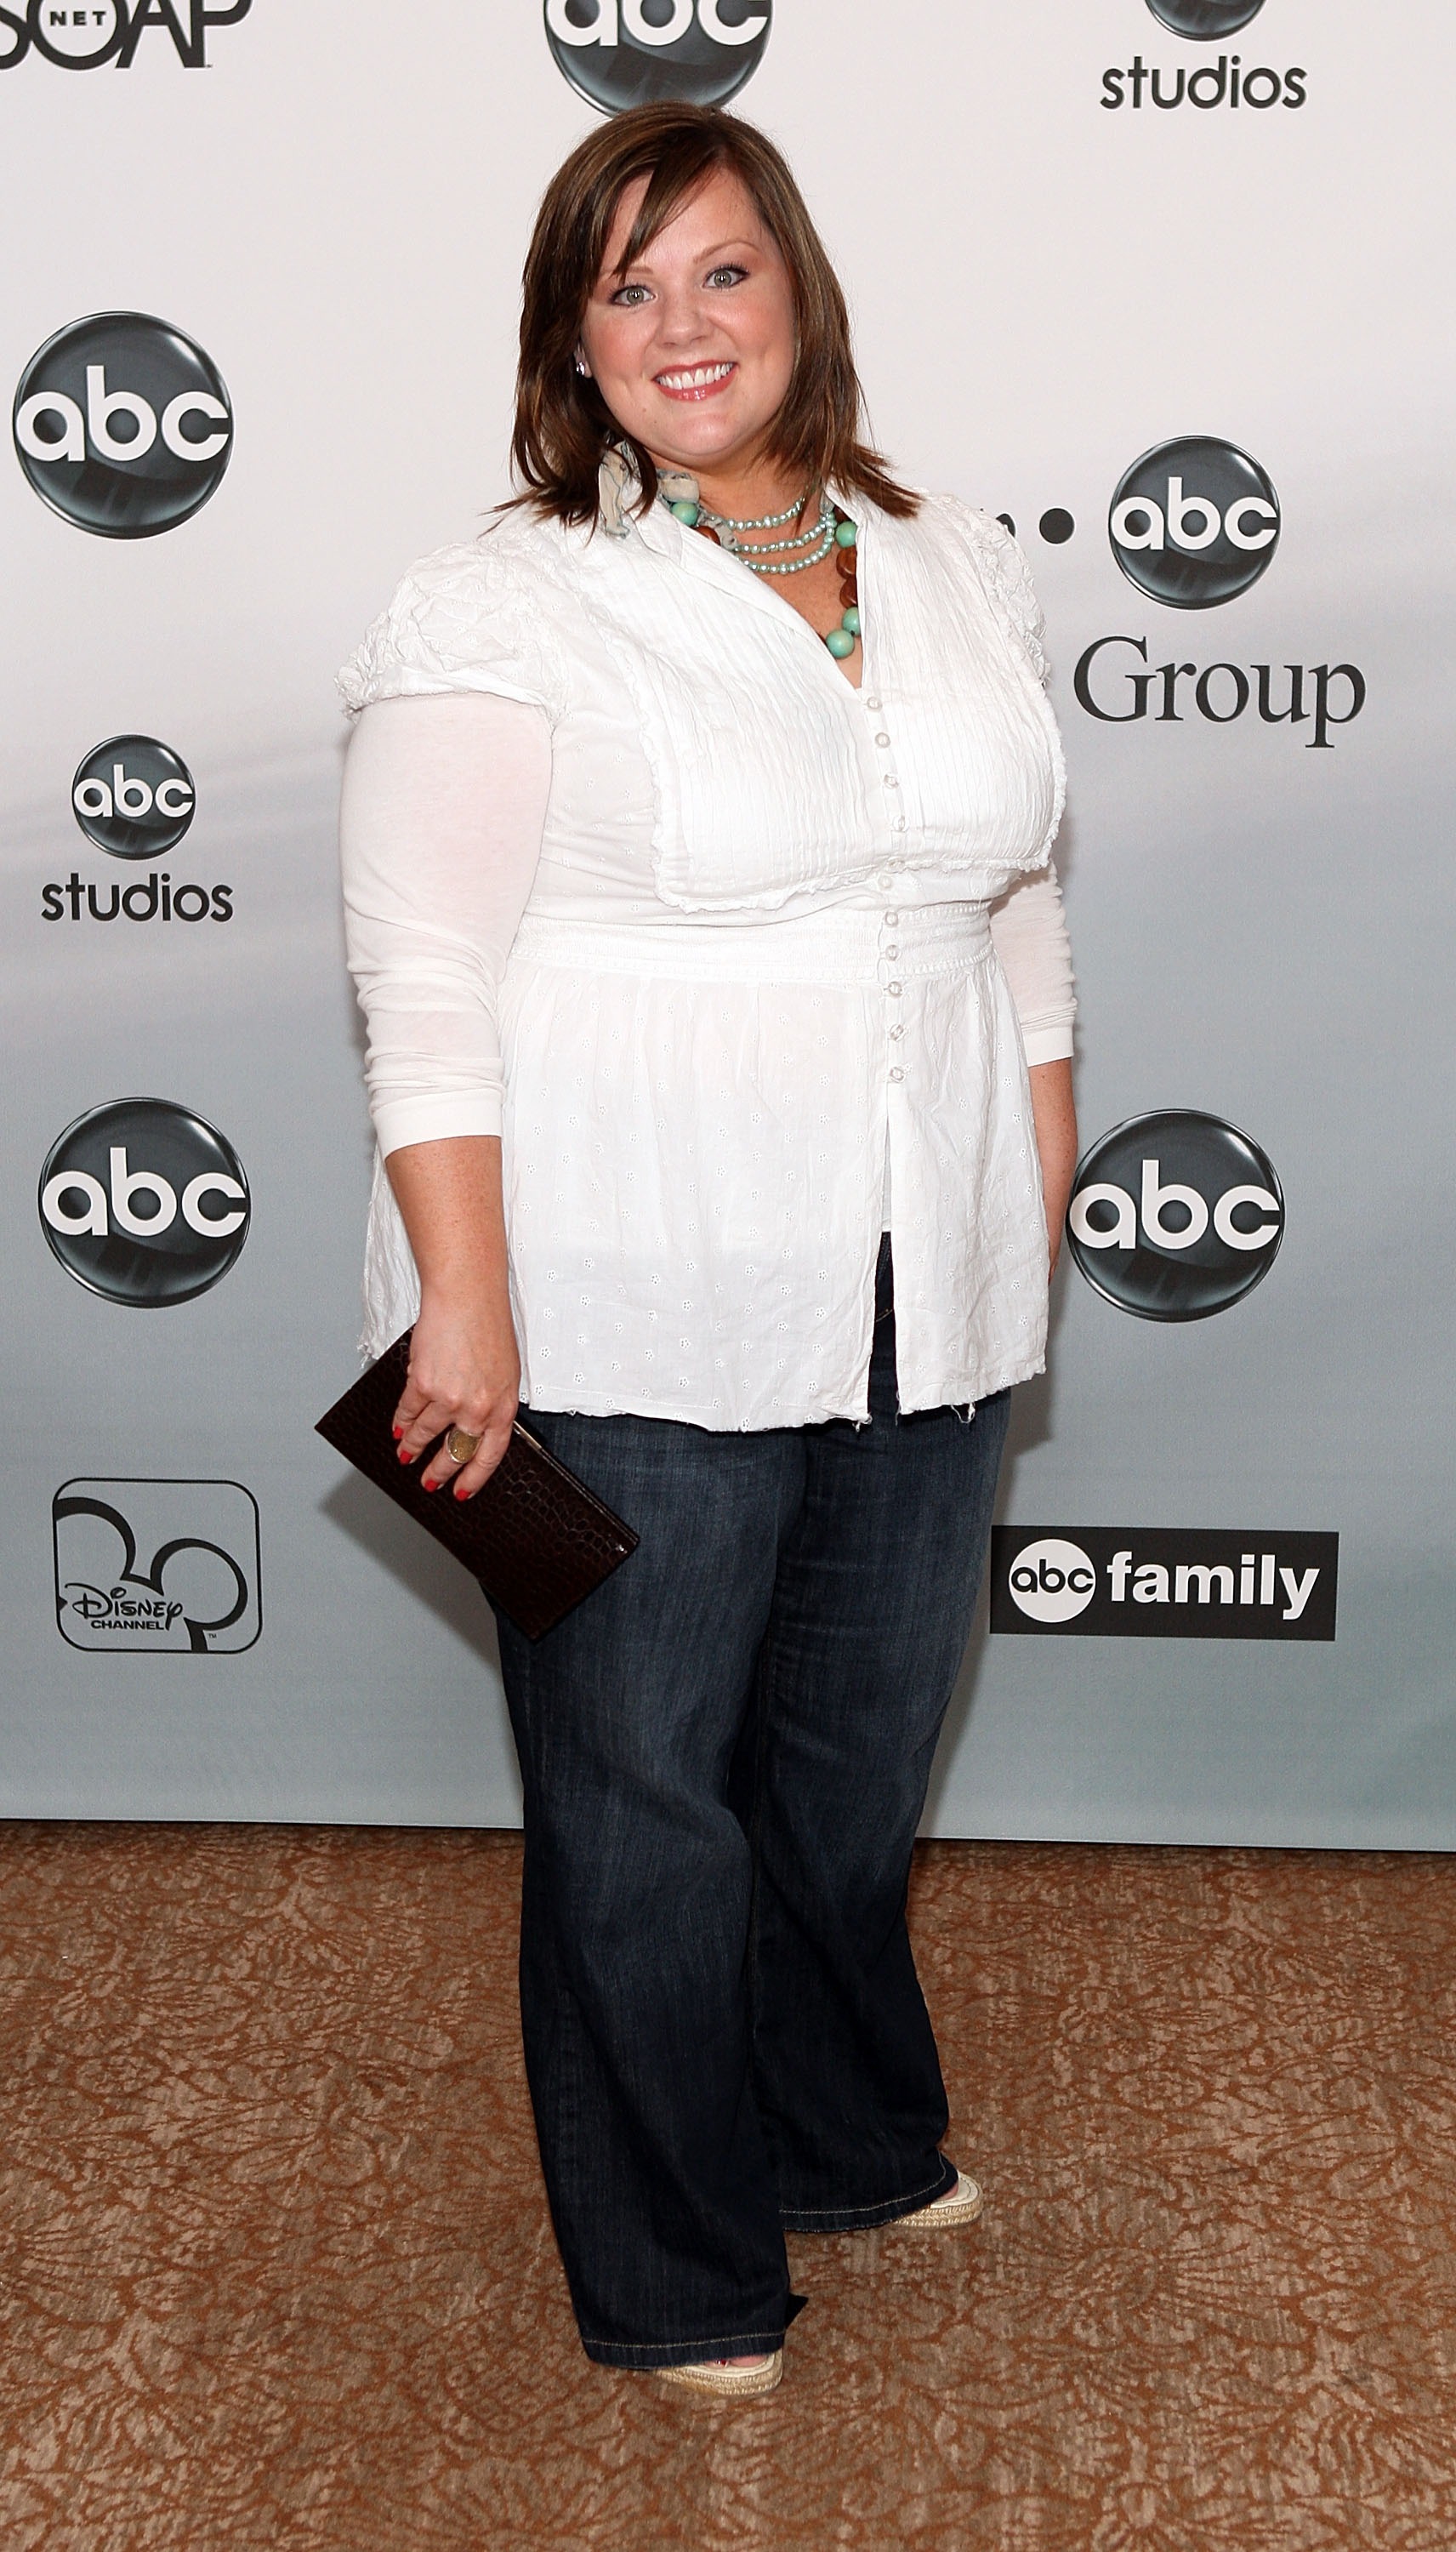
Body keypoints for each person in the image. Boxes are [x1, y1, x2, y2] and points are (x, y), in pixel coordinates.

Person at [338, 102, 1076, 2400]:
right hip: (622, 1289)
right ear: (574, 334)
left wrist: (1027, 1193)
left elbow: (1015, 911)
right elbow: (422, 978)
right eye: (628, 284)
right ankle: (674, 2270)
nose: (684, 324)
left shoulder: (952, 561)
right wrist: (469, 1300)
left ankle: (842, 2134)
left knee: (852, 1771)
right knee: (647, 1802)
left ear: (798, 294)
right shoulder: (503, 599)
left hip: (915, 1284)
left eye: (722, 271)